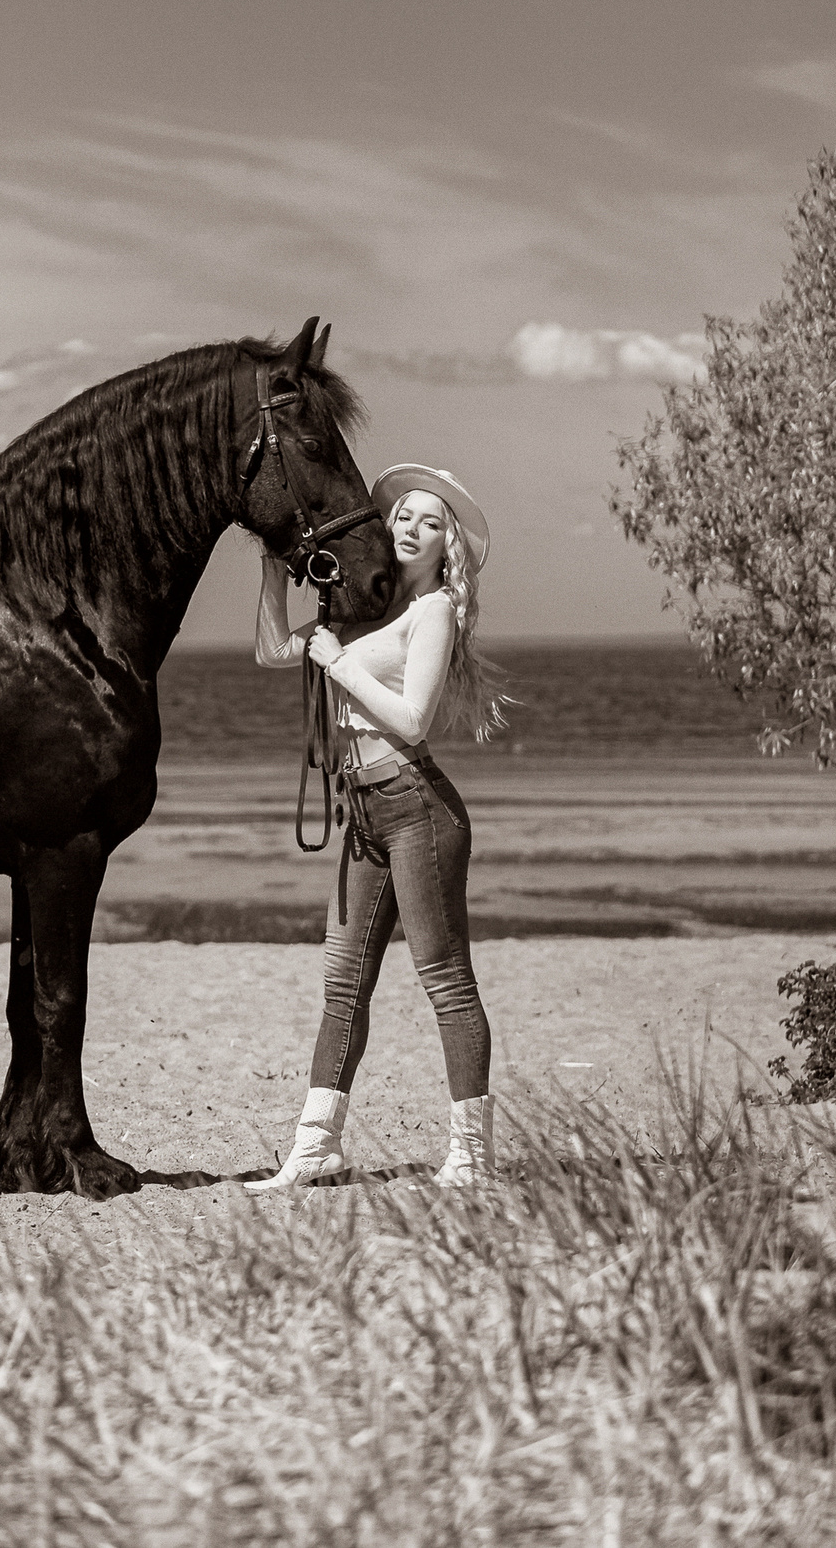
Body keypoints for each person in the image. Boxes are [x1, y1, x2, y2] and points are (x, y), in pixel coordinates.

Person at [245, 465, 510, 1190]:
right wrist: (271, 569)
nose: (412, 528)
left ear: (448, 543)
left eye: (431, 522)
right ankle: (315, 1148)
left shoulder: (435, 611)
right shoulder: (361, 608)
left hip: (416, 804)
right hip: (362, 809)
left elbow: (413, 720)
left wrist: (340, 666)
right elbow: (272, 649)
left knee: (446, 982)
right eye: (403, 516)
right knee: (343, 984)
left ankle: (472, 1157)